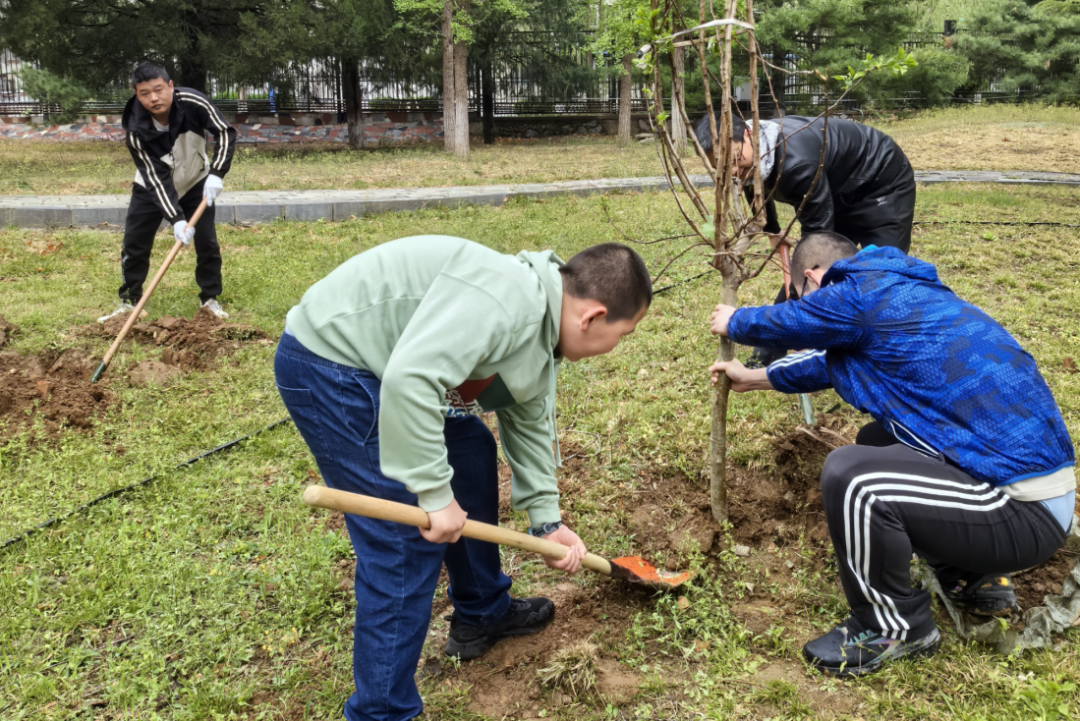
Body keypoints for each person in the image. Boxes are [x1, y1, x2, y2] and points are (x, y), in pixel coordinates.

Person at [275, 236, 651, 720]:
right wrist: (435, 495)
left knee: (470, 448)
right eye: (625, 333)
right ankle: (381, 713)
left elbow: (528, 417)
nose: (618, 346)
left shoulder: (541, 323)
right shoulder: (507, 304)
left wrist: (546, 522)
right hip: (333, 362)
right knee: (402, 544)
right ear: (593, 317)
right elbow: (411, 378)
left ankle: (482, 613)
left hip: (386, 365)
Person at [707, 231, 1075, 677]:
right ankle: (972, 578)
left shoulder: (859, 292)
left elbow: (793, 322)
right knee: (875, 440)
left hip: (1019, 510)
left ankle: (894, 627)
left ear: (813, 278)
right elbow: (829, 363)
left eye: (804, 296)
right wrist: (755, 377)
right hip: (1035, 495)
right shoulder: (897, 292)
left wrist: (737, 320)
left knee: (853, 477)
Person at [694, 113, 916, 366]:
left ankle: (887, 357)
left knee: (882, 275)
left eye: (735, 160)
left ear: (747, 133)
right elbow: (754, 188)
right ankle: (766, 355)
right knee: (807, 277)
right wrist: (772, 230)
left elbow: (816, 242)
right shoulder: (750, 158)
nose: (733, 170)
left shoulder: (795, 162)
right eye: (722, 166)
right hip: (837, 189)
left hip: (881, 181)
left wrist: (801, 301)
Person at [98, 62, 236, 323]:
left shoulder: (193, 102)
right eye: (145, 93)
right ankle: (129, 301)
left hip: (197, 180)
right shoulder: (135, 128)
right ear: (137, 95)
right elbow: (155, 178)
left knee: (207, 242)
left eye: (158, 89)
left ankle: (210, 300)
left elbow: (225, 132)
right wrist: (177, 218)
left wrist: (217, 173)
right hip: (151, 186)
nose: (153, 98)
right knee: (134, 243)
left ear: (170, 86)